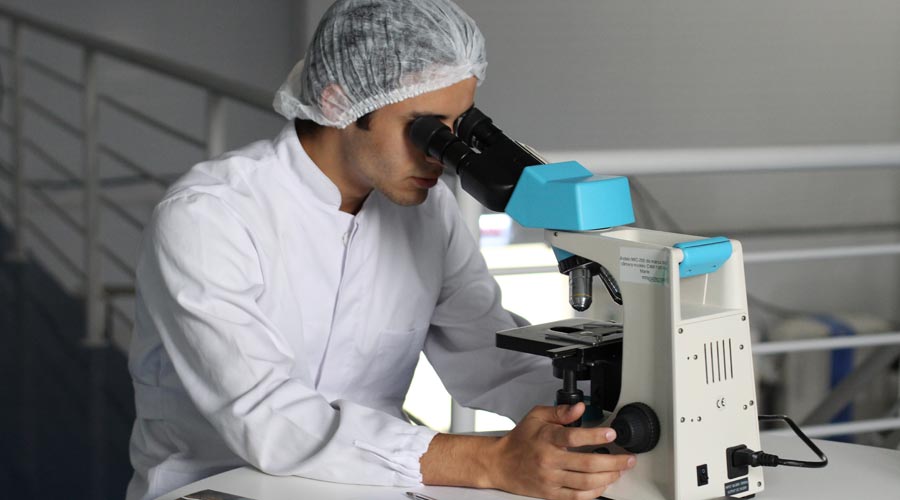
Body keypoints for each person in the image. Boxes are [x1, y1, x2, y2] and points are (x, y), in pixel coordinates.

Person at [125, 1, 635, 499]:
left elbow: (490, 357)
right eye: (426, 129)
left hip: (373, 483)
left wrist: (593, 422)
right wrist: (491, 462)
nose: (442, 157)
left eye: (457, 129)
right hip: (218, 485)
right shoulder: (210, 216)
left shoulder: (426, 214)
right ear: (337, 103)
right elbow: (264, 417)